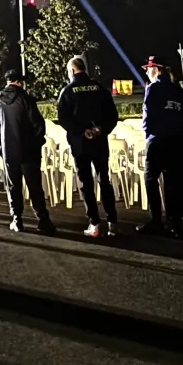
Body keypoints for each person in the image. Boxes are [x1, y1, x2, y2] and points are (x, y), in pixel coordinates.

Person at [57, 55, 120, 238]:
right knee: (104, 180)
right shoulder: (99, 89)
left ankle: (94, 223)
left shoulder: (68, 91)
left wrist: (82, 131)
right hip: (100, 141)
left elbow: (63, 118)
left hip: (81, 144)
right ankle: (112, 222)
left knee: (86, 183)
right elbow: (112, 115)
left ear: (72, 71)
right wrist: (101, 129)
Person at [0, 69, 57, 235]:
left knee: (13, 186)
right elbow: (38, 125)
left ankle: (17, 220)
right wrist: (37, 143)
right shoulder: (26, 99)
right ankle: (43, 220)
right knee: (35, 187)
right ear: (19, 82)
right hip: (29, 152)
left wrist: (2, 146)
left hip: (8, 152)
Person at [139, 58, 183, 237]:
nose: (147, 72)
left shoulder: (153, 88)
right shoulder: (178, 90)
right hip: (177, 141)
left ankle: (156, 220)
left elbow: (148, 115)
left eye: (148, 69)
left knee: (150, 179)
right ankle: (175, 223)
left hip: (158, 141)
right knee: (172, 182)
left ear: (156, 70)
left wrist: (148, 135)